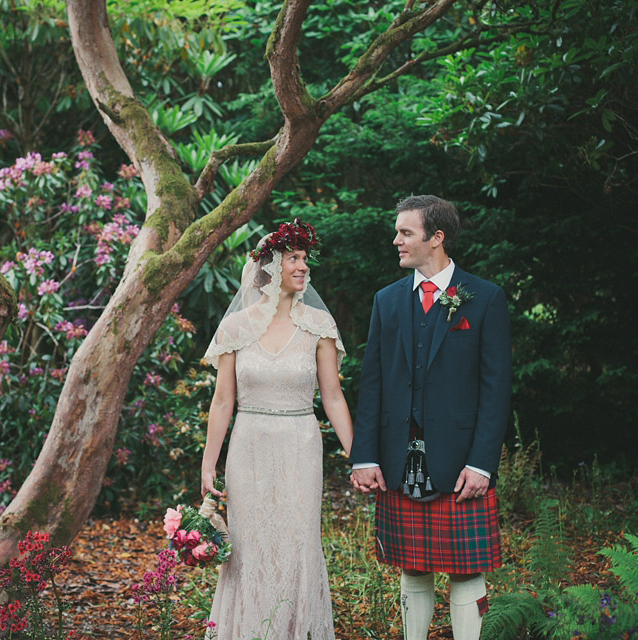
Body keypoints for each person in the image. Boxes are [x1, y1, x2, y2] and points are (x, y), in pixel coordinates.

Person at [349, 195, 511, 640]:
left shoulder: (484, 299)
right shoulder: (387, 301)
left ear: (436, 238)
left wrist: (482, 463)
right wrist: (364, 455)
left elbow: (496, 392)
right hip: (400, 458)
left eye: (406, 232)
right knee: (413, 566)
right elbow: (373, 384)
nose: (395, 240)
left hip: (460, 460)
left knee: (466, 570)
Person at [201, 218, 353, 639]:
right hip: (248, 448)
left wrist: (356, 454)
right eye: (294, 258)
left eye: (305, 259)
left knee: (298, 544)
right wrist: (208, 464)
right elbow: (222, 401)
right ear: (271, 265)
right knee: (249, 549)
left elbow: (333, 397)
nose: (303, 267)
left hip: (300, 447)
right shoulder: (235, 329)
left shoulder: (319, 326)